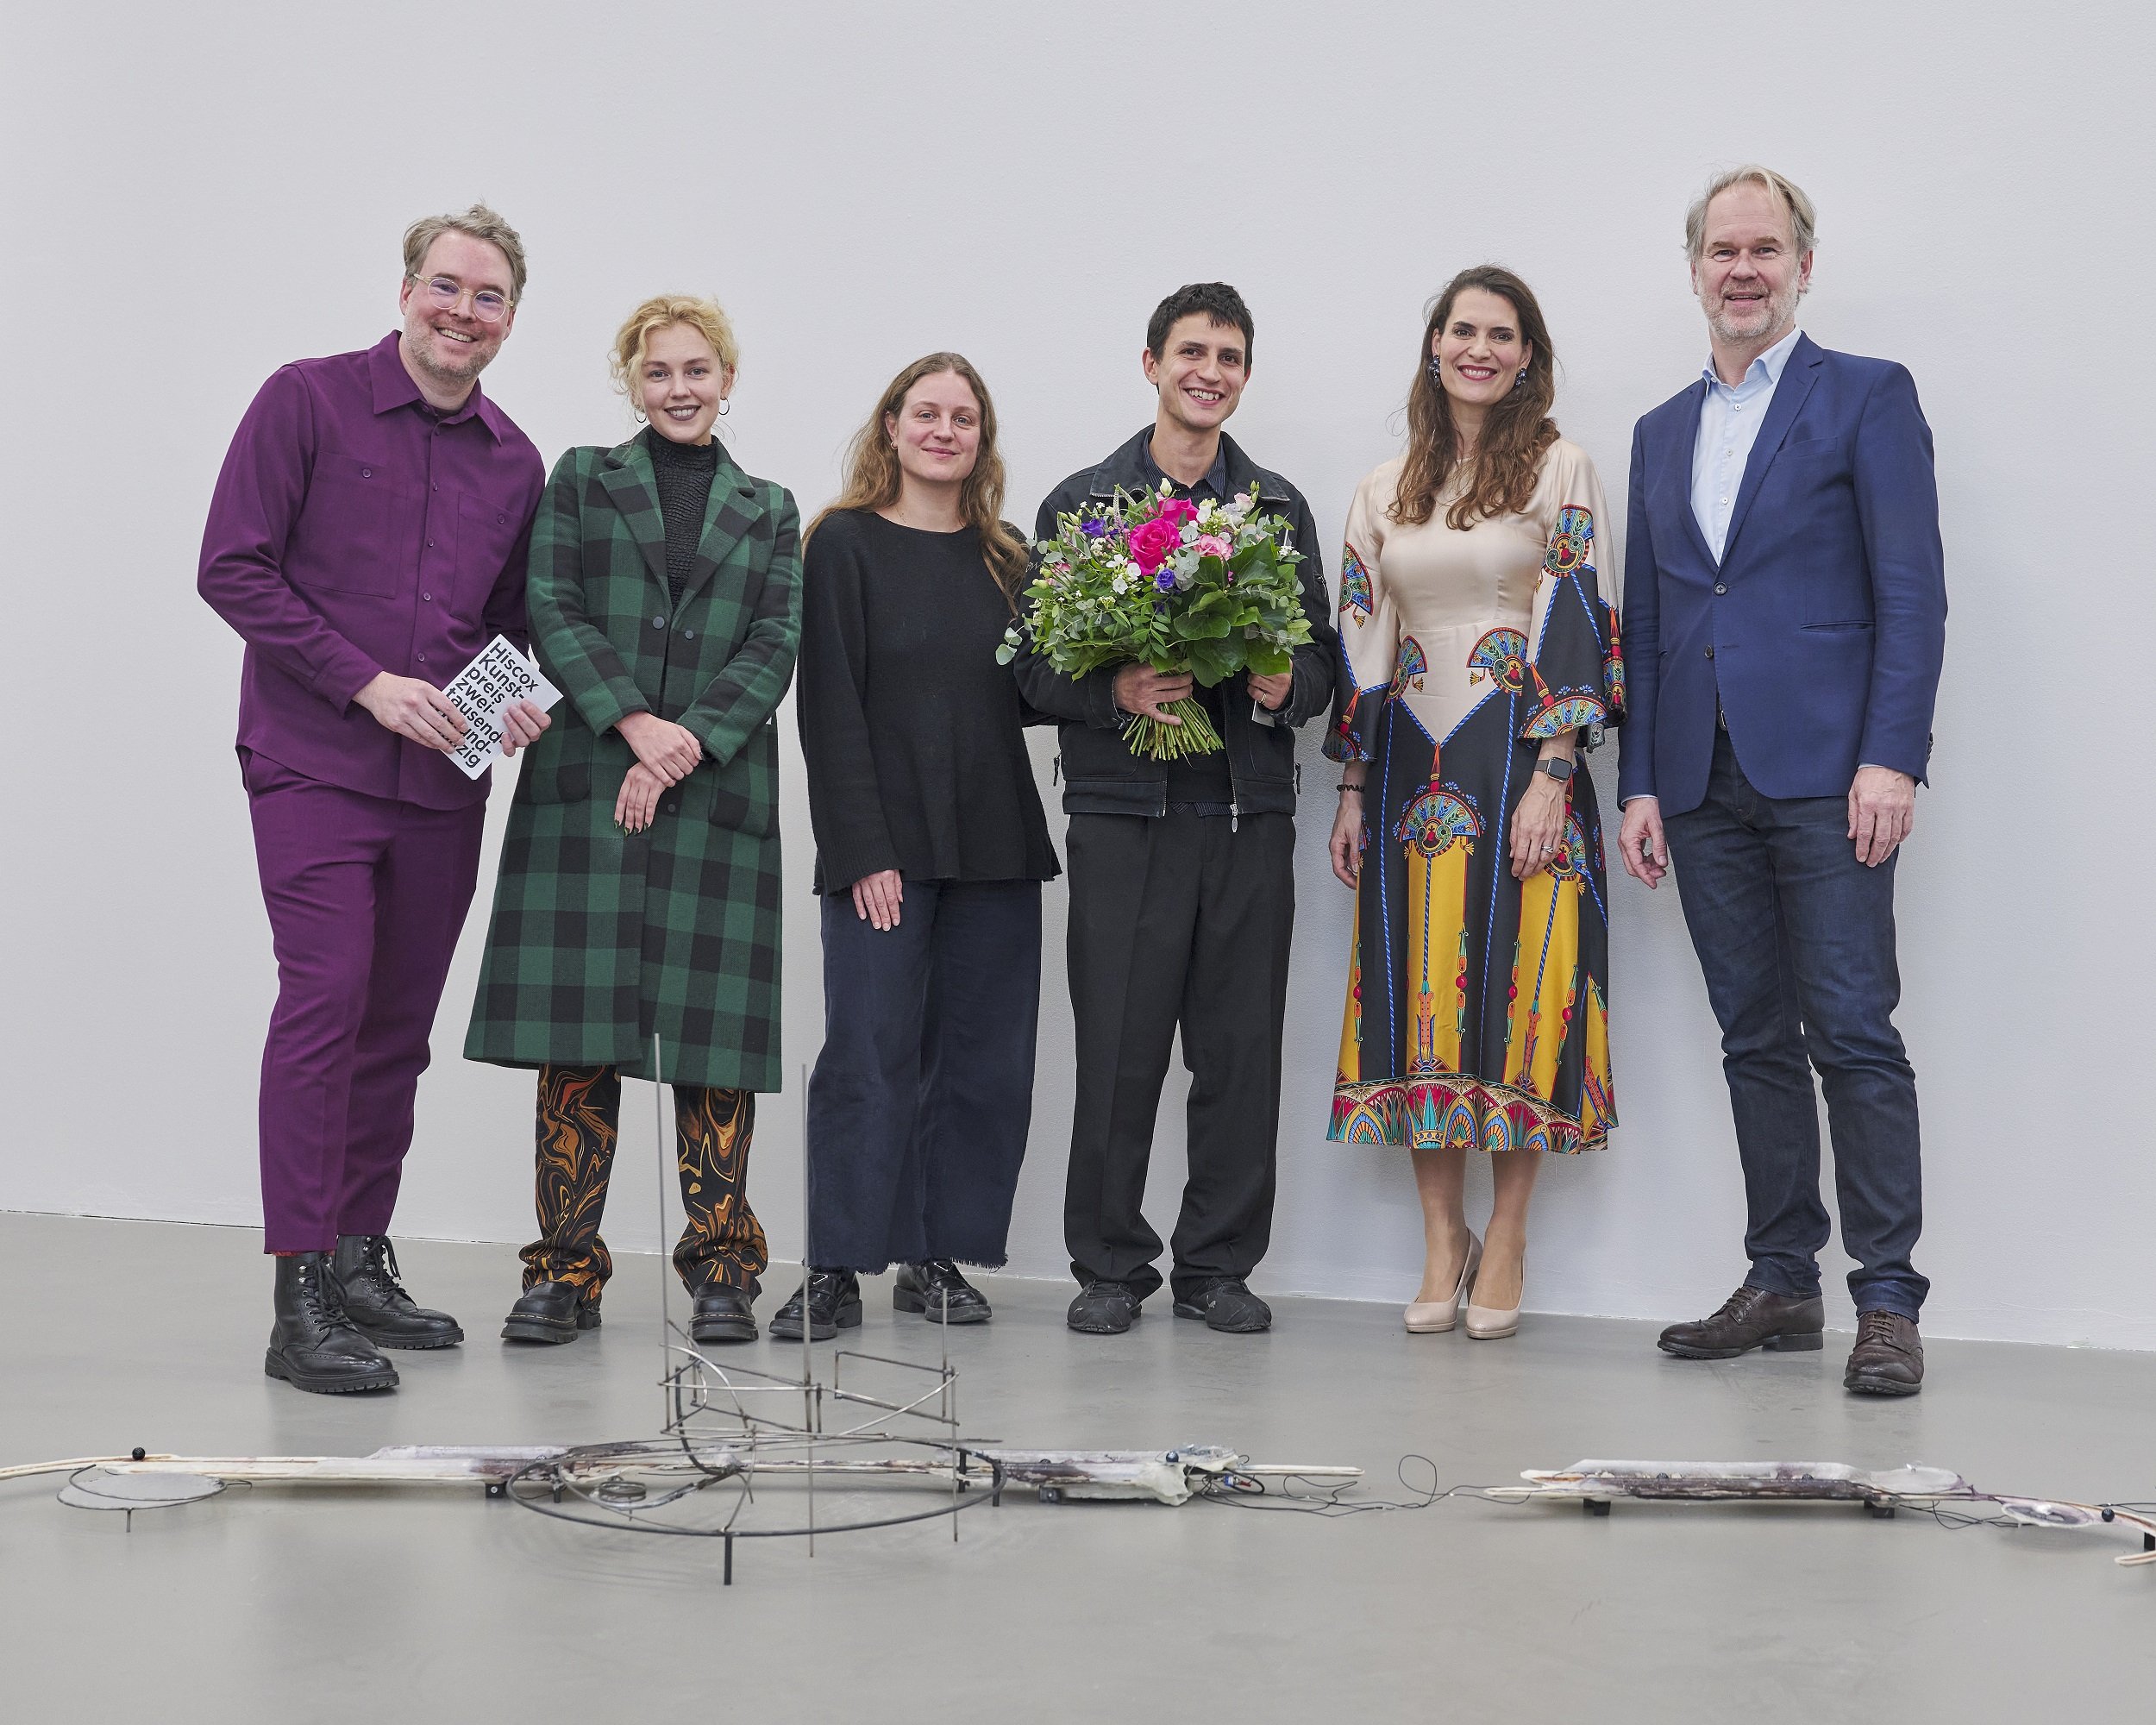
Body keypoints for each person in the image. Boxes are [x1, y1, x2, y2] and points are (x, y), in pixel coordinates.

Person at [199, 204, 549, 1395]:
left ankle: (356, 1258)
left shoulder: (516, 459)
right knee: (326, 1003)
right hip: (311, 763)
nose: (464, 313)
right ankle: (298, 1295)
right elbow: (231, 565)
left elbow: (504, 617)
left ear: (511, 319)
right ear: (406, 291)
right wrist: (365, 685)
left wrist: (511, 696)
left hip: (442, 782)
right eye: (447, 287)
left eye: (489, 297)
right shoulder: (305, 400)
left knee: (396, 1028)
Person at [1616, 167, 1946, 1395]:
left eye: (1765, 248)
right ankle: (1781, 1279)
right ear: (1694, 269)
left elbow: (1910, 592)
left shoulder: (1864, 397)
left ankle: (1888, 1297)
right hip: (1699, 778)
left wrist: (1892, 754)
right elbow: (1649, 622)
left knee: (1854, 1033)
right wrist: (1639, 782)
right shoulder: (1659, 432)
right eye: (1721, 250)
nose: (1741, 269)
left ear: (1805, 264)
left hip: (1829, 773)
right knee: (1752, 1035)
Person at [466, 295, 802, 1349]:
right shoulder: (579, 478)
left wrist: (685, 743)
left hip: (713, 795)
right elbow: (550, 604)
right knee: (580, 1038)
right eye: (658, 372)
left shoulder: (773, 504)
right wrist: (637, 724)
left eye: (696, 369)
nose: (679, 389)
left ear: (727, 378)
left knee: (712, 1048)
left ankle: (723, 1271)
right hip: (589, 790)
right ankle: (564, 1271)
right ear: (633, 382)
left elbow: (776, 638)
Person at [1014, 283, 1335, 1336]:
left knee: (1239, 1051)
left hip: (1248, 816)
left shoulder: (1278, 507)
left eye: (1230, 356)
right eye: (1191, 351)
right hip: (1123, 816)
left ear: (1245, 375)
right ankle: (1109, 1262)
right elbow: (1026, 675)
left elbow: (1323, 659)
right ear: (1149, 363)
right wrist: (1114, 694)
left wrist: (1294, 684)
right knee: (1117, 1046)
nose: (1210, 371)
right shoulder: (1080, 502)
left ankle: (1216, 1266)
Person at [1326, 267, 1623, 1340]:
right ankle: (1439, 1235)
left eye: (1503, 334)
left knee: (1520, 986)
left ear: (1527, 354)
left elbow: (1581, 607)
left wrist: (1556, 768)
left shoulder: (1560, 464)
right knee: (1422, 995)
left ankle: (1507, 1232)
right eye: (1463, 330)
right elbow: (1362, 637)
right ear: (1435, 344)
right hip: (1408, 764)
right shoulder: (1384, 484)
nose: (1480, 349)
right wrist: (1353, 786)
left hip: (1518, 756)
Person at [779, 354, 1059, 1339]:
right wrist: (862, 849)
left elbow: (1035, 693)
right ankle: (834, 1266)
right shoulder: (841, 545)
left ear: (982, 439)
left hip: (994, 843)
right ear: (891, 425)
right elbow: (829, 709)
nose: (945, 430)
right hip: (884, 845)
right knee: (868, 1052)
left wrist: (1126, 672)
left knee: (978, 1061)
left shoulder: (1008, 555)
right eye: (927, 413)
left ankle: (933, 1257)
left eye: (965, 417)